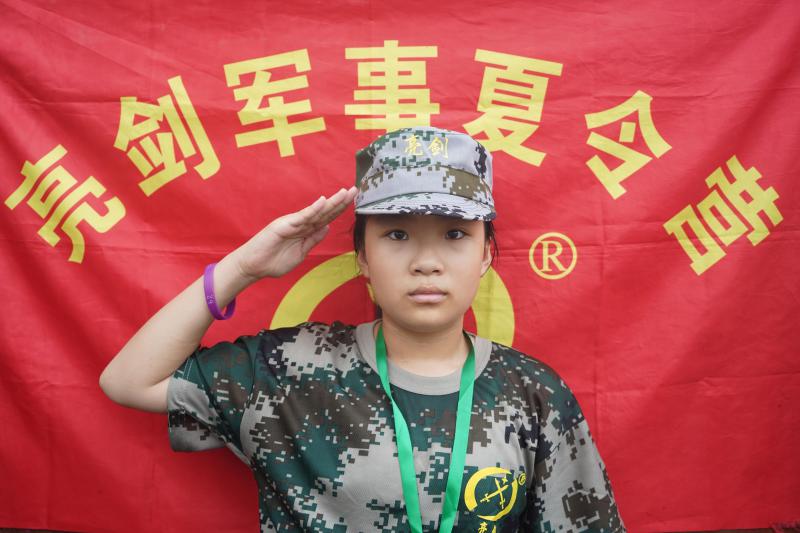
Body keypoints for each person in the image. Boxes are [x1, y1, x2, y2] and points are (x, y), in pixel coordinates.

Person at [99, 126, 626, 532]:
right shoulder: (290, 371)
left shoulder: (533, 394)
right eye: (397, 234)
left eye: (454, 234)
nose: (426, 262)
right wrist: (242, 268)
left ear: (486, 254)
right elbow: (129, 382)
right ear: (362, 258)